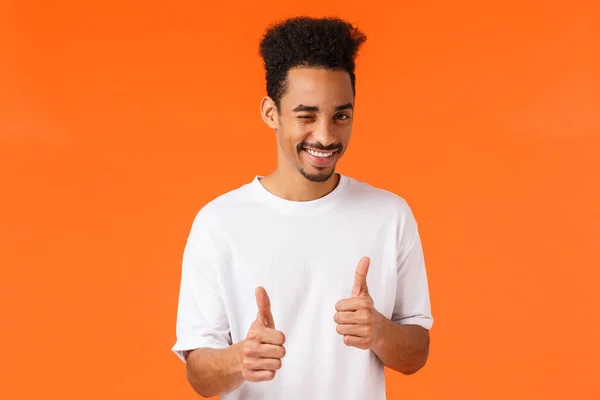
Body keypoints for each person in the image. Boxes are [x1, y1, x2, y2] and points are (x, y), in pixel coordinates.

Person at [171, 16, 433, 400]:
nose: (326, 136)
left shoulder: (389, 215)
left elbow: (416, 354)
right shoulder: (219, 223)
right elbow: (199, 376)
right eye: (306, 116)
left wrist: (380, 331)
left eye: (341, 115)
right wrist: (238, 360)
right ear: (270, 113)